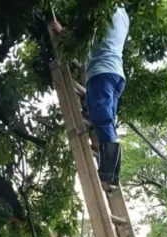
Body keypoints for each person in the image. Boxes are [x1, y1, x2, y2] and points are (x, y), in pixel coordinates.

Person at [51, 7, 130, 186]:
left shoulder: (103, 8)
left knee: (102, 121)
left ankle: (109, 174)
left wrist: (62, 33)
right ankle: (112, 175)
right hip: (116, 73)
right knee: (106, 122)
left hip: (101, 72)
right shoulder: (123, 15)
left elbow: (81, 41)